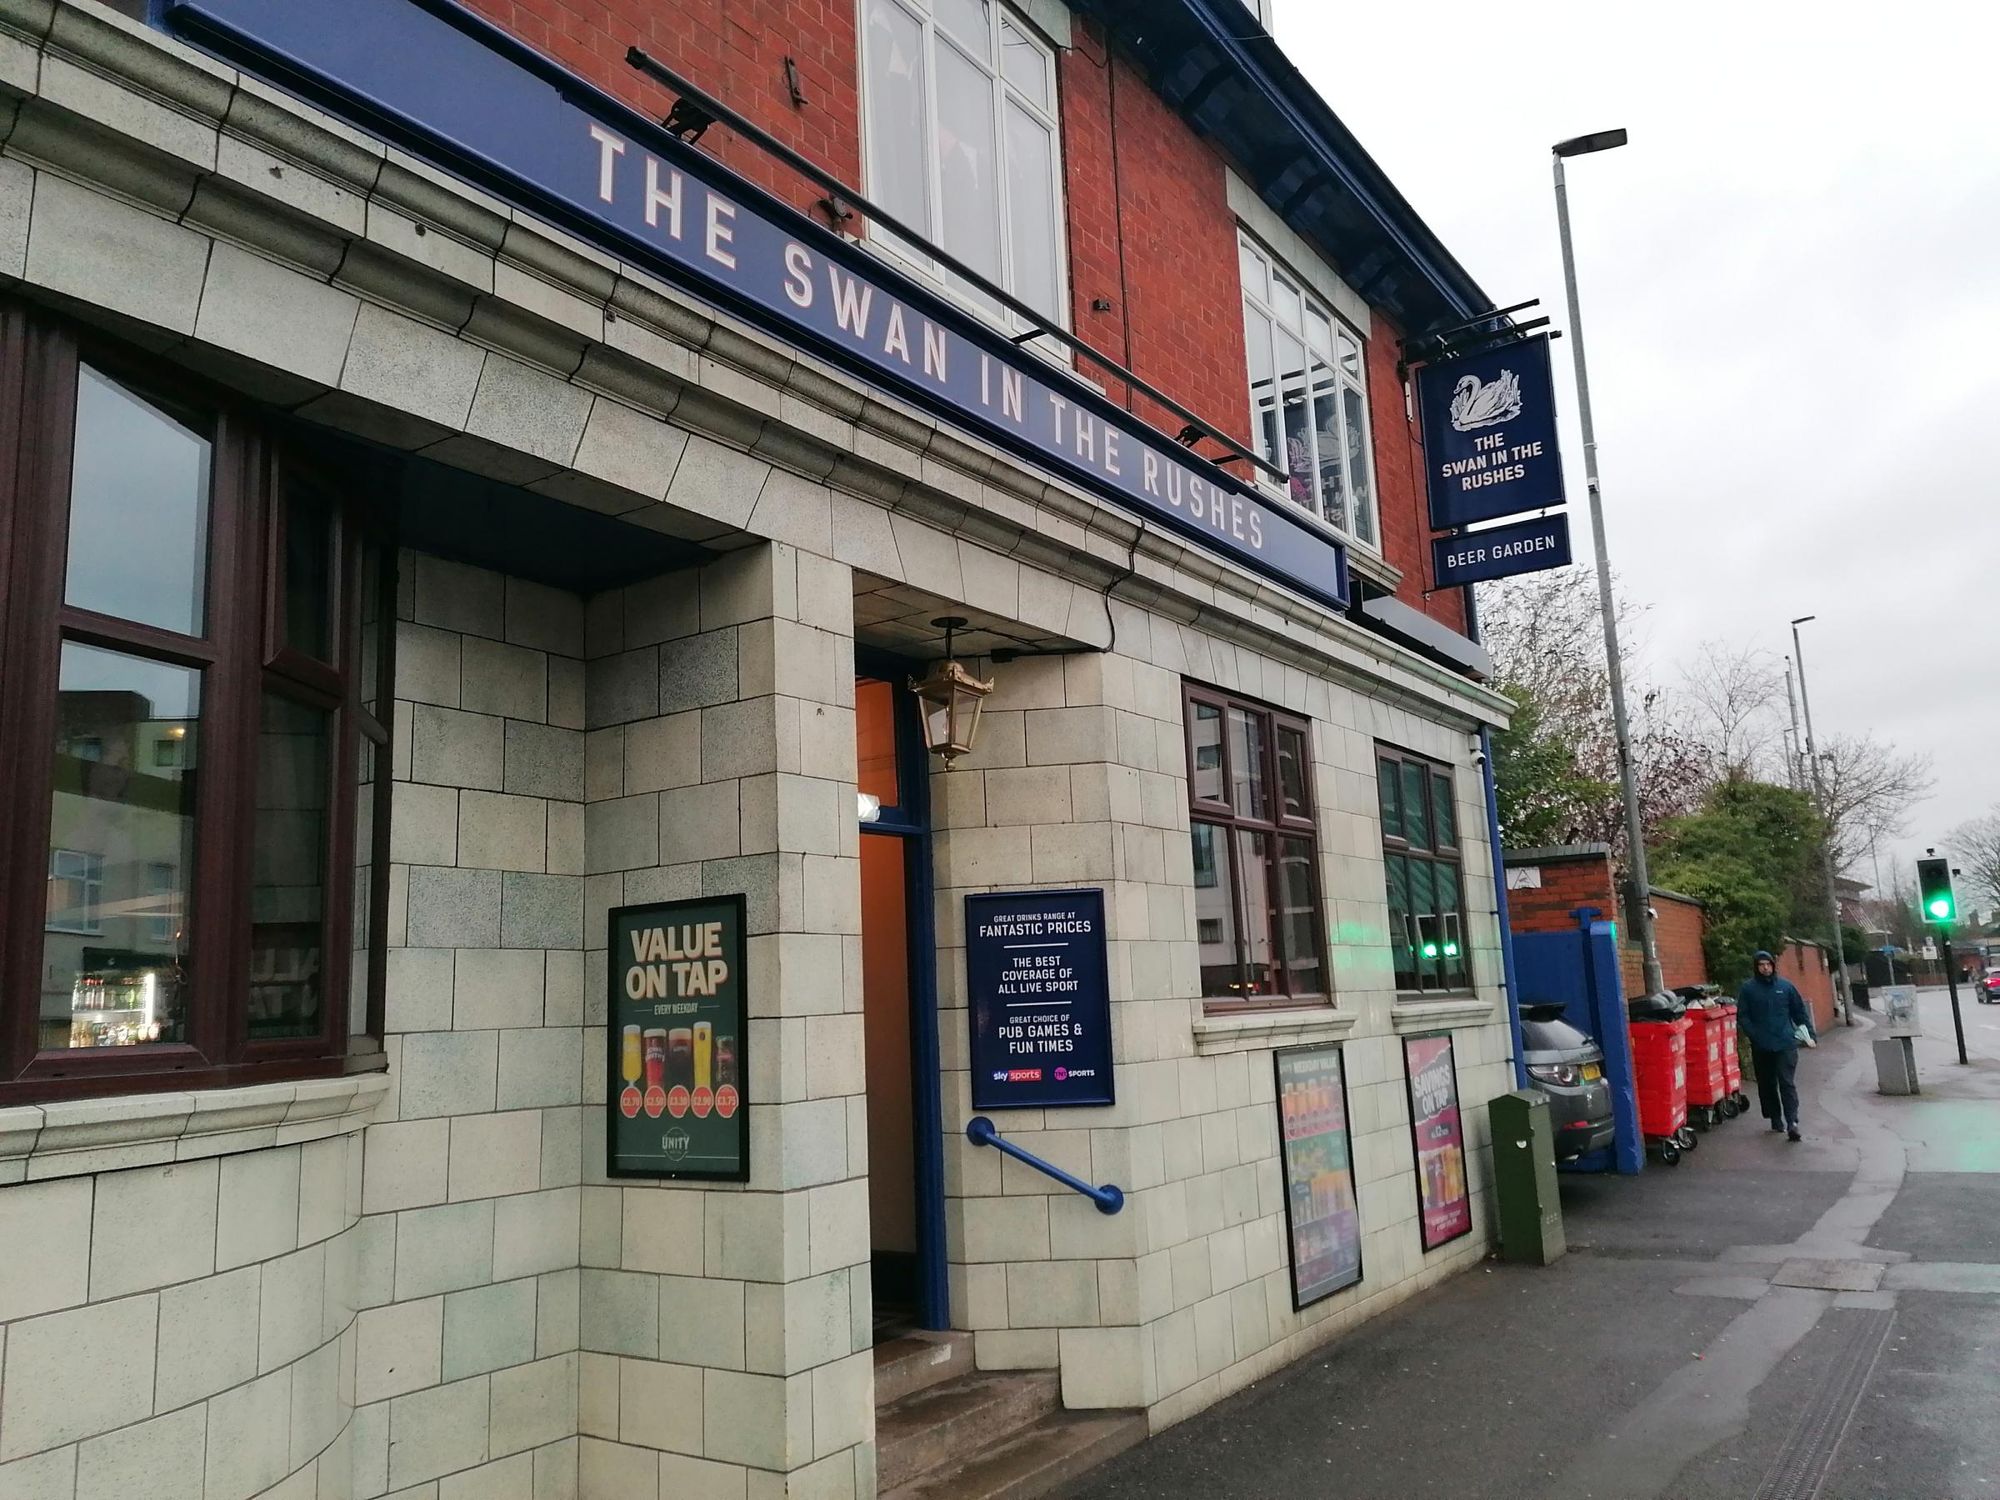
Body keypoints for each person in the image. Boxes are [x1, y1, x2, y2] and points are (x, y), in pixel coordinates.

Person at [1736, 950, 1813, 1141]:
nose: (1765, 967)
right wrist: (1753, 1034)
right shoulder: (1748, 989)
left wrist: (1810, 1034)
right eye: (1761, 964)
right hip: (1762, 1045)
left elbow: (1799, 1012)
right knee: (1767, 1084)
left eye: (1768, 964)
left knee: (1787, 1083)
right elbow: (1743, 1015)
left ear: (1773, 965)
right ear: (1756, 967)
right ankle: (1775, 1118)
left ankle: (1792, 1122)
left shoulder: (1785, 987)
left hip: (1785, 1043)